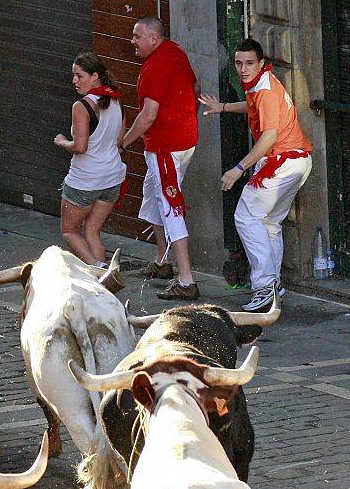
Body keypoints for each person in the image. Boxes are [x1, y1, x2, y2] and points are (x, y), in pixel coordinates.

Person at [199, 38, 313, 312]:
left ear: (261, 63)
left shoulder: (264, 90)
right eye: (238, 63)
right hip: (296, 161)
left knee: (246, 217)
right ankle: (273, 286)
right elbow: (253, 107)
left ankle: (264, 287)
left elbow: (269, 136)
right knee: (269, 223)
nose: (243, 69)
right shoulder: (262, 82)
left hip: (281, 163)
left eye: (249, 63)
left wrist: (238, 169)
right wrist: (224, 107)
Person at [121, 16, 200, 300]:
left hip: (166, 146)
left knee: (170, 206)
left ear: (154, 38)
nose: (132, 41)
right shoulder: (177, 53)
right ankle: (162, 260)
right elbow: (195, 89)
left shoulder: (155, 65)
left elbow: (148, 115)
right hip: (184, 141)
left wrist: (123, 142)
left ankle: (187, 281)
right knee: (152, 193)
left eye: (137, 36)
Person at [53, 52, 126, 267]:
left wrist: (62, 142)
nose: (74, 80)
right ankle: (103, 279)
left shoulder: (82, 106)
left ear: (95, 76)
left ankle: (98, 267)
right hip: (112, 178)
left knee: (69, 231)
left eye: (79, 75)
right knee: (92, 231)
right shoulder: (117, 101)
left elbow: (80, 147)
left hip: (84, 180)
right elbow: (119, 141)